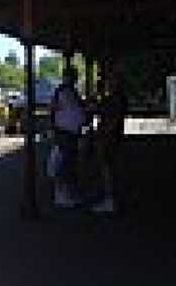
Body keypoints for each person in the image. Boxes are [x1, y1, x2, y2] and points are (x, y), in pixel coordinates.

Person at [50, 65, 88, 207]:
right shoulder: (62, 91)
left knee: (69, 162)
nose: (74, 79)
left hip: (71, 132)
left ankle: (67, 194)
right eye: (73, 76)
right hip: (64, 131)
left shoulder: (71, 91)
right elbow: (54, 110)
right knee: (64, 162)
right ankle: (61, 195)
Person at [92, 67, 128, 214]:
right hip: (110, 135)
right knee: (108, 167)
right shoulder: (116, 98)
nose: (107, 82)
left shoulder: (115, 99)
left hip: (109, 137)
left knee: (108, 168)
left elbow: (111, 118)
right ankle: (111, 199)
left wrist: (105, 133)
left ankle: (110, 200)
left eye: (110, 80)